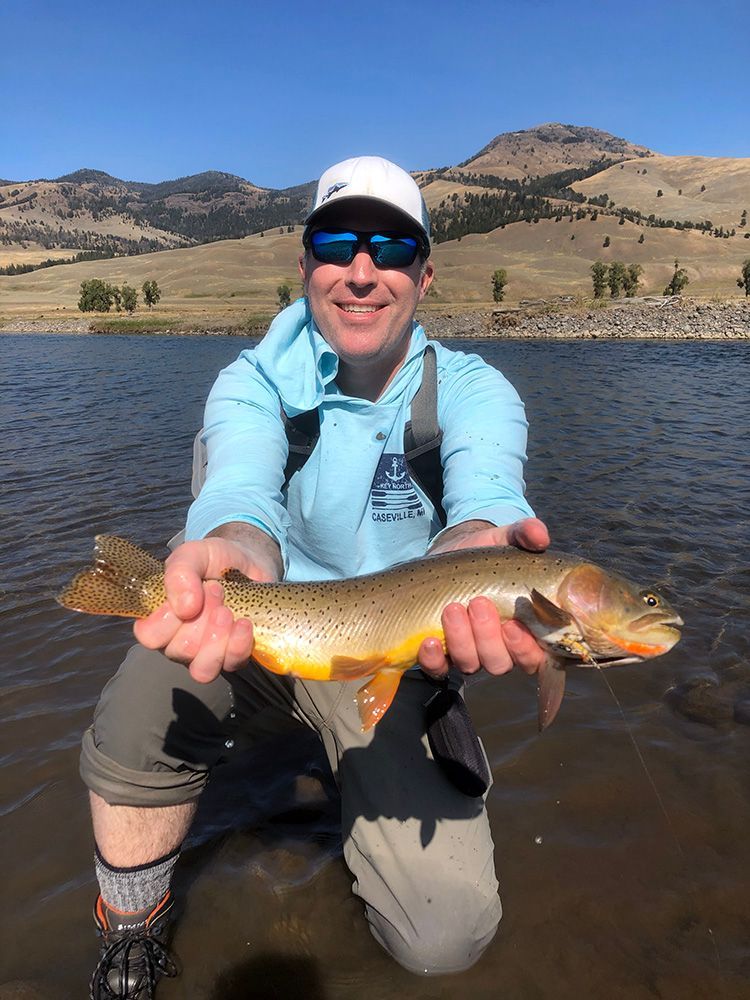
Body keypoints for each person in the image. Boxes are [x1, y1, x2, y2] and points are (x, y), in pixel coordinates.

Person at [81, 155, 550, 999]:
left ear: (426, 273)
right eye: (336, 243)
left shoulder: (476, 394)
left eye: (393, 248)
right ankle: (130, 929)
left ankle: (357, 767)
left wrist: (482, 546)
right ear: (304, 268)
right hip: (262, 631)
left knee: (445, 940)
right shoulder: (252, 382)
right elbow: (239, 500)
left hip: (397, 659)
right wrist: (227, 548)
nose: (361, 271)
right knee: (144, 695)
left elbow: (486, 504)